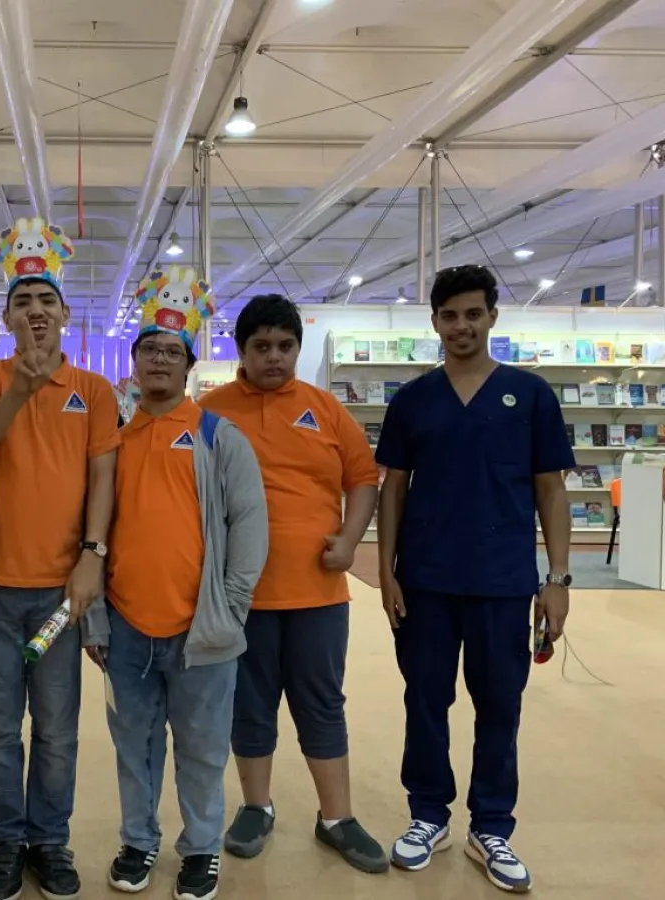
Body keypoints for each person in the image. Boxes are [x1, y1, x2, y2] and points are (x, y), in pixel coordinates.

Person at [375, 265, 573, 894]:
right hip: (426, 581)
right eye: (449, 315)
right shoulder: (413, 400)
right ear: (434, 322)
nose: (461, 326)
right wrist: (385, 572)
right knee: (424, 702)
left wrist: (557, 580)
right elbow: (393, 489)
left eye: (472, 314)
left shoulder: (530, 395)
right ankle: (428, 814)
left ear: (492, 317)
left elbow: (551, 489)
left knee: (500, 707)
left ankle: (491, 826)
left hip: (503, 583)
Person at [84, 266, 268, 900]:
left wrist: (231, 609)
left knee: (203, 750)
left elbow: (250, 525)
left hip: (203, 632)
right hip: (126, 630)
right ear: (133, 362)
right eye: (149, 350)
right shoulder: (111, 444)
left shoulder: (219, 438)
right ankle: (138, 842)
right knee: (133, 749)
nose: (159, 359)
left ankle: (201, 848)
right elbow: (90, 536)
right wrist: (96, 618)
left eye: (171, 351)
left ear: (188, 365)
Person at [199, 294, 388, 873]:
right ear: (242, 351)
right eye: (261, 347)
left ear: (298, 349)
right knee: (249, 705)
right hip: (240, 597)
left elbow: (363, 478)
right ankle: (256, 806)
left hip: (318, 594)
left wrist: (350, 539)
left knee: (322, 703)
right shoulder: (209, 412)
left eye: (285, 346)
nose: (274, 357)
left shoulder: (324, 408)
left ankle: (337, 818)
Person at [0, 217, 120, 900]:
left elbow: (103, 480)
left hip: (61, 594)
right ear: (6, 318)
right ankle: (6, 839)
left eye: (46, 300)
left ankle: (49, 840)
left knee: (56, 728)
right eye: (22, 301)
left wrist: (93, 557)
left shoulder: (95, 390)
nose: (35, 311)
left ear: (64, 314)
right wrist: (20, 390)